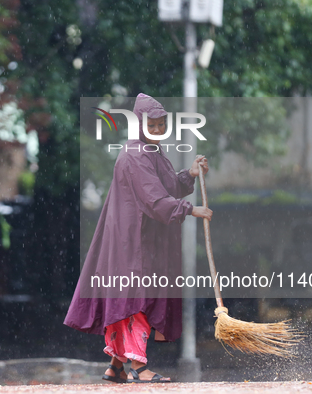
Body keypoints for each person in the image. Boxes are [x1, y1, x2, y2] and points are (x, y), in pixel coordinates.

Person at [64, 93, 212, 383]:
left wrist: (189, 175)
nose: (158, 129)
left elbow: (165, 187)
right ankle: (138, 369)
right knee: (136, 300)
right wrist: (191, 209)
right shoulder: (136, 154)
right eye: (152, 125)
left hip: (138, 241)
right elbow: (155, 200)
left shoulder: (149, 152)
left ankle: (116, 366)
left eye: (161, 124)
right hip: (132, 243)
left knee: (130, 298)